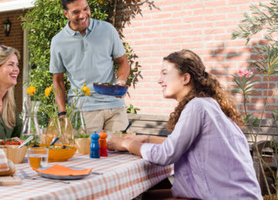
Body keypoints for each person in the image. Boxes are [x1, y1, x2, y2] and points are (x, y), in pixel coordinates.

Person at [107, 49, 262, 200]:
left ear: (185, 78)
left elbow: (166, 155)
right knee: (147, 195)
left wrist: (127, 144)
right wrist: (147, 139)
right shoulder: (208, 104)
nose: (159, 80)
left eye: (165, 73)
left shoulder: (197, 106)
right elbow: (191, 146)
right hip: (234, 194)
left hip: (222, 196)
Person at [50, 0, 130, 133]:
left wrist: (121, 81)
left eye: (85, 9)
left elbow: (123, 61)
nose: (82, 15)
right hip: (84, 111)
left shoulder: (107, 30)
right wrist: (62, 113)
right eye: (76, 12)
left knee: (120, 152)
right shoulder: (58, 42)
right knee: (87, 155)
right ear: (65, 14)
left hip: (115, 106)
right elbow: (58, 80)